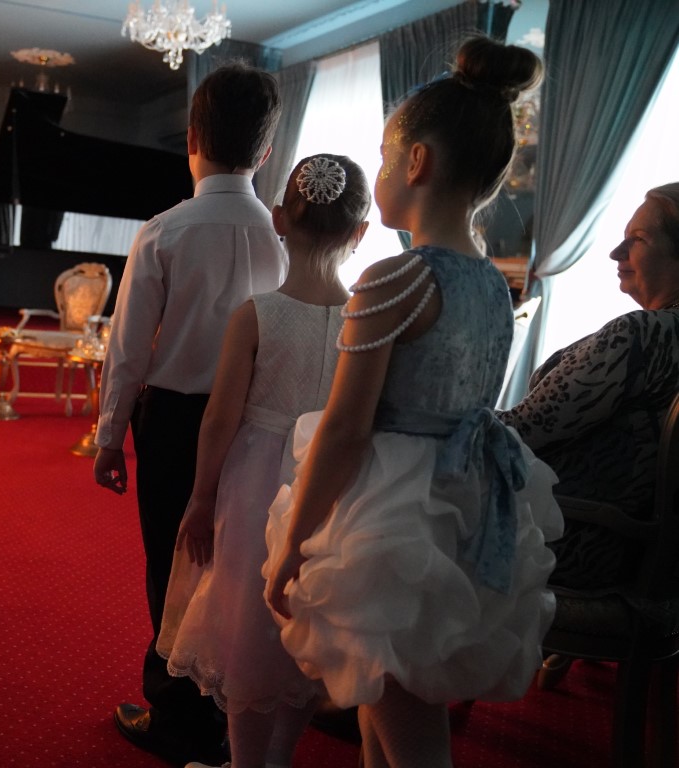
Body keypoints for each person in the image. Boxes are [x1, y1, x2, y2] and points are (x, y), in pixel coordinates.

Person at [262, 37, 563, 768]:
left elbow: (344, 428)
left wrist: (295, 543)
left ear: (416, 162)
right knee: (386, 700)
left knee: (406, 722)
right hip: (467, 499)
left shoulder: (394, 280)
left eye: (384, 156)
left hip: (395, 511)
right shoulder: (494, 285)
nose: (382, 170)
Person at [93, 62, 285, 767]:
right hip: (257, 424)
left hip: (175, 423)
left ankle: (177, 718)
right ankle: (233, 708)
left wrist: (109, 437)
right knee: (238, 565)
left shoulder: (163, 231)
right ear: (267, 150)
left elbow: (127, 350)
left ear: (191, 139)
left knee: (173, 566)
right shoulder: (283, 237)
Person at [155, 154, 370, 768]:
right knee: (303, 621)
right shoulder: (365, 319)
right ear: (360, 233)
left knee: (248, 620)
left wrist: (200, 498)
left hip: (256, 484)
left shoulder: (257, 314)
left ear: (278, 219)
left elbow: (219, 418)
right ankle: (277, 758)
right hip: (330, 484)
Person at [500, 182, 679, 684]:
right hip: (657, 559)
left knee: (401, 509)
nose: (616, 253)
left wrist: (441, 422)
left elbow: (523, 430)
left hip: (582, 546)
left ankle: (388, 691)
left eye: (638, 240)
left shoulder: (641, 336)